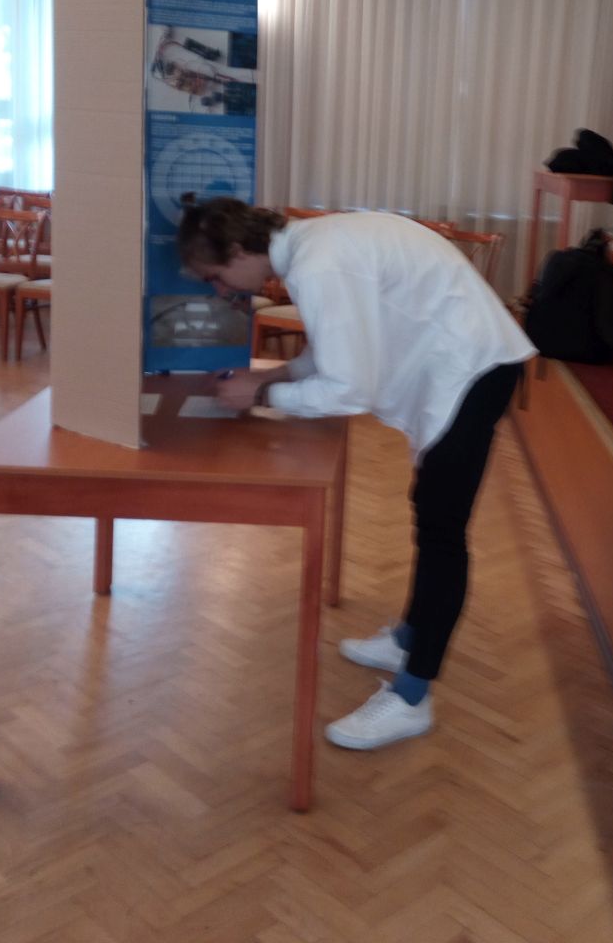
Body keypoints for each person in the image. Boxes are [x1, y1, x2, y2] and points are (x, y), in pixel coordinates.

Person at [177, 198, 535, 751]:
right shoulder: (313, 246)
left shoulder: (317, 263)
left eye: (216, 276)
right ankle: (408, 638)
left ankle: (412, 697)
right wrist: (267, 381)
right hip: (466, 362)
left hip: (473, 368)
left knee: (443, 531)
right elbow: (329, 354)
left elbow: (348, 389)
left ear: (241, 250)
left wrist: (263, 395)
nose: (222, 291)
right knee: (429, 512)